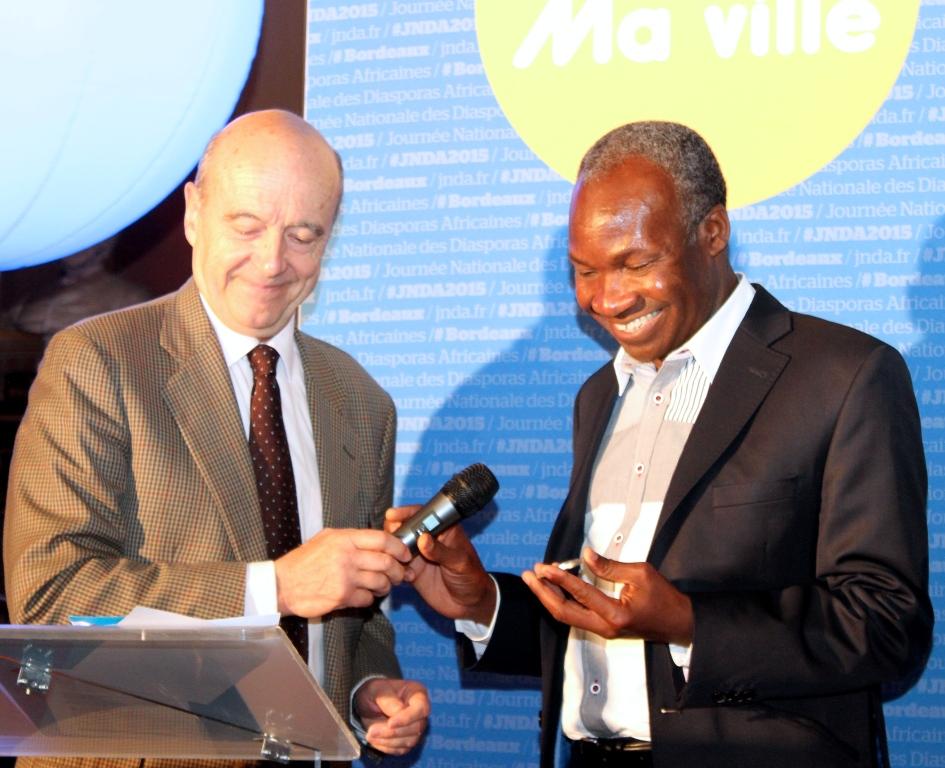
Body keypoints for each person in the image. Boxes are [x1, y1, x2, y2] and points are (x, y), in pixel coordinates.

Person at [388, 121, 932, 768]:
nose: (606, 298)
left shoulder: (842, 377)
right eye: (584, 271)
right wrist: (480, 601)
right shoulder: (597, 396)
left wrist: (687, 622)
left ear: (712, 233)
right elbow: (604, 627)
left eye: (634, 263)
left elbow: (885, 621)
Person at [4, 109, 429, 765]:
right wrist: (274, 588)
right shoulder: (97, 362)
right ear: (194, 213)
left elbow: (356, 615)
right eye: (247, 226)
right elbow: (54, 598)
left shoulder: (361, 402)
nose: (272, 262)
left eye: (303, 234)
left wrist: (363, 692)